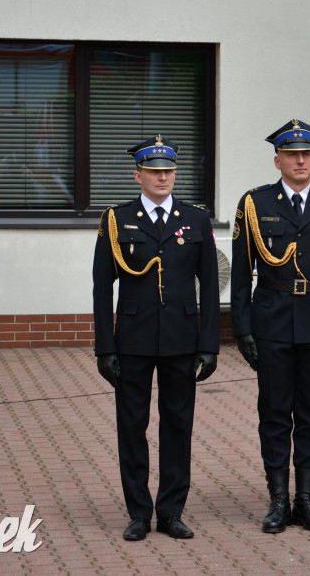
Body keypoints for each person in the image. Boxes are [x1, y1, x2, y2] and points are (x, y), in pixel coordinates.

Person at [230, 119, 310, 534]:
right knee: (273, 413)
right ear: (277, 160)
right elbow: (240, 273)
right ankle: (278, 500)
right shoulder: (254, 204)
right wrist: (242, 328)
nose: (300, 160)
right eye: (291, 154)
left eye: (306, 154)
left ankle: (306, 498)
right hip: (271, 323)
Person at [92, 135, 220, 541]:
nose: (163, 177)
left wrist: (210, 344)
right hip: (132, 338)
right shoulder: (116, 219)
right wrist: (104, 347)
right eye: (154, 171)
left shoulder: (195, 219)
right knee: (132, 425)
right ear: (138, 176)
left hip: (182, 338)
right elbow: (101, 288)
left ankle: (171, 511)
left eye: (168, 170)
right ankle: (138, 512)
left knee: (178, 424)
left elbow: (211, 286)